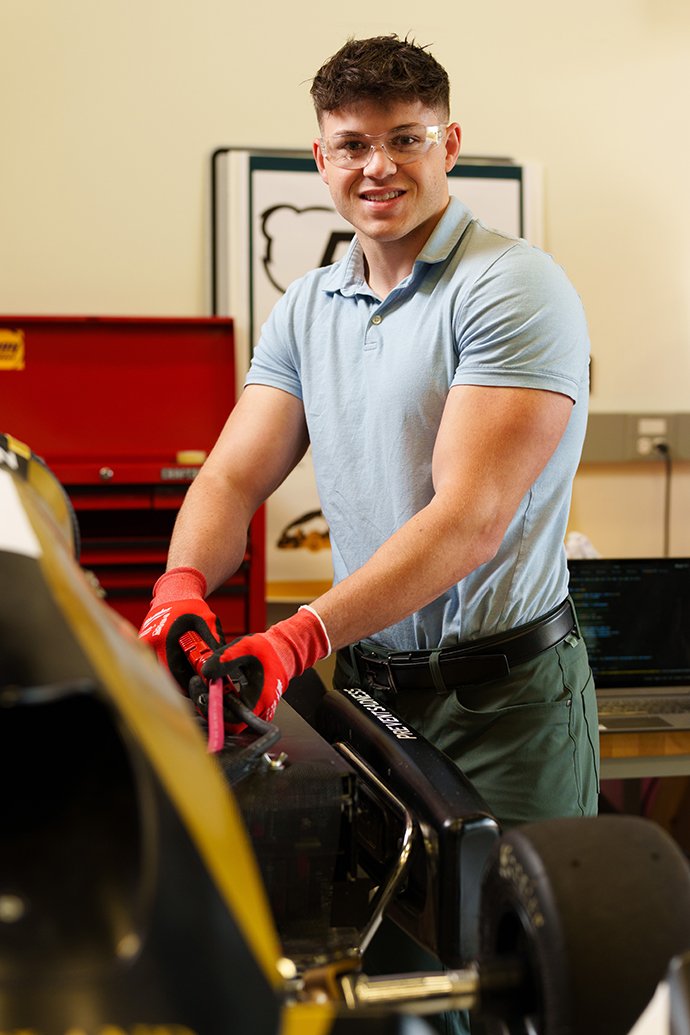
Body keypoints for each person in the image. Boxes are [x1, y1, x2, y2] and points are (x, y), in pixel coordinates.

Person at [139, 33, 598, 1034]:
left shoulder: (511, 287)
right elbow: (232, 473)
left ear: (450, 143)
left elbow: (468, 522)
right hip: (376, 704)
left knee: (516, 987)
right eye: (352, 144)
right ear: (322, 158)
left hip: (506, 700)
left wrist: (301, 634)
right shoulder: (310, 304)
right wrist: (182, 581)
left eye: (404, 139)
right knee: (386, 986)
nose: (377, 166)